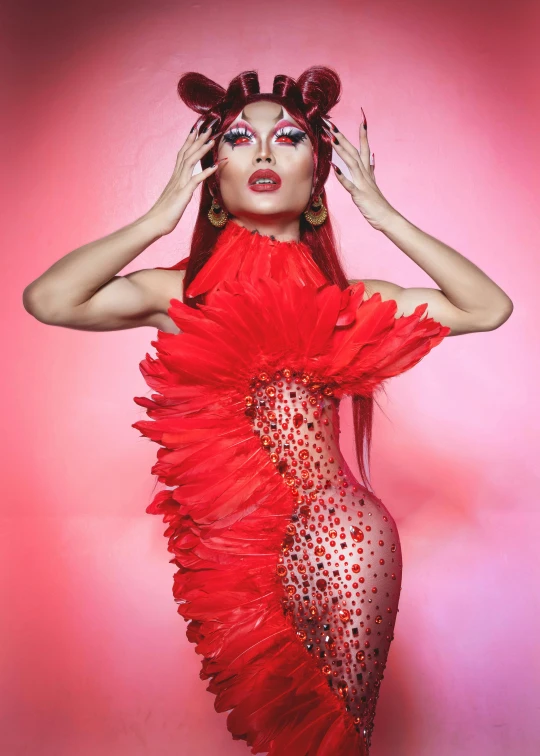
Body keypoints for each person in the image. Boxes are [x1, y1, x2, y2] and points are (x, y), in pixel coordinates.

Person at [22, 66, 513, 755]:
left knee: (337, 740)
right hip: (242, 556)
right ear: (211, 178)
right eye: (236, 139)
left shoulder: (345, 301)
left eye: (286, 138)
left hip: (346, 545)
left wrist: (382, 213)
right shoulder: (182, 295)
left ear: (316, 180)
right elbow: (49, 299)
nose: (261, 152)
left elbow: (487, 307)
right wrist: (159, 216)